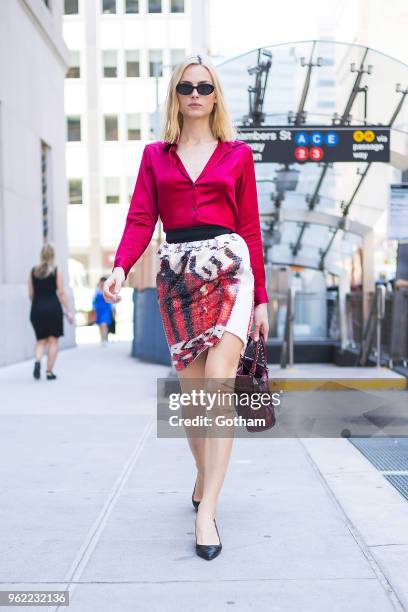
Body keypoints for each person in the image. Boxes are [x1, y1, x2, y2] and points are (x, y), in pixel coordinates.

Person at [103, 54, 269, 560]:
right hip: (176, 275)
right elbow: (140, 218)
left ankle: (207, 512)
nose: (195, 94)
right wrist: (120, 266)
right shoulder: (156, 156)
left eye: (204, 86)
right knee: (196, 401)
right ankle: (204, 476)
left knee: (219, 384)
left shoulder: (237, 155)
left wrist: (260, 298)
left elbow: (250, 228)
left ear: (216, 95)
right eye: (185, 87)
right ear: (175, 96)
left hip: (230, 271)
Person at [28, 243, 74, 380]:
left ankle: (37, 361)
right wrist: (68, 311)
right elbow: (61, 293)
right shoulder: (56, 271)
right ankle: (49, 371)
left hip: (37, 309)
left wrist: (37, 306)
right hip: (53, 309)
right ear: (53, 256)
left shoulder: (33, 272)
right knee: (53, 341)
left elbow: (30, 294)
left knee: (40, 340)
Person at [92, 277, 113, 346]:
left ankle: (104, 339)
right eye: (101, 282)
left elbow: (111, 300)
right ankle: (103, 338)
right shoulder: (96, 291)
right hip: (99, 310)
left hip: (106, 310)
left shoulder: (108, 290)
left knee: (104, 324)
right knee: (100, 325)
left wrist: (113, 309)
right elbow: (93, 301)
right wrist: (94, 309)